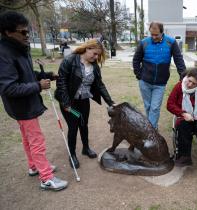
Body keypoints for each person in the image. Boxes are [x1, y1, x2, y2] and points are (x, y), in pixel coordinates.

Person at [0, 11, 68, 191]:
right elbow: (9, 88)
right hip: (22, 106)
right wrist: (39, 86)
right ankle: (46, 178)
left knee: (28, 139)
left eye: (28, 31)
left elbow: (26, 75)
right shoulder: (4, 54)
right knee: (36, 140)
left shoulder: (19, 48)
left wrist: (46, 76)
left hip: (24, 105)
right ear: (8, 32)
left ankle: (34, 166)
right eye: (22, 32)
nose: (27, 35)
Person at [55, 39, 115, 168]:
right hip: (69, 102)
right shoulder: (69, 61)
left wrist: (110, 102)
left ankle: (85, 148)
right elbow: (62, 83)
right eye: (94, 53)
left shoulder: (94, 66)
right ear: (87, 49)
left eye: (98, 55)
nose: (96, 57)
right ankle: (72, 155)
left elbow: (100, 85)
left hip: (84, 100)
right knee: (73, 127)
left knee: (84, 124)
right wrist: (66, 103)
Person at [133, 21, 186, 129]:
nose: (153, 37)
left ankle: (150, 132)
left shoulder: (171, 42)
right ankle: (152, 129)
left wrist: (183, 76)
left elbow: (178, 60)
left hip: (160, 84)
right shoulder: (144, 43)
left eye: (156, 35)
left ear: (162, 32)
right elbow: (136, 60)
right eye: (151, 34)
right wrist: (139, 75)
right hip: (145, 82)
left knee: (155, 108)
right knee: (148, 107)